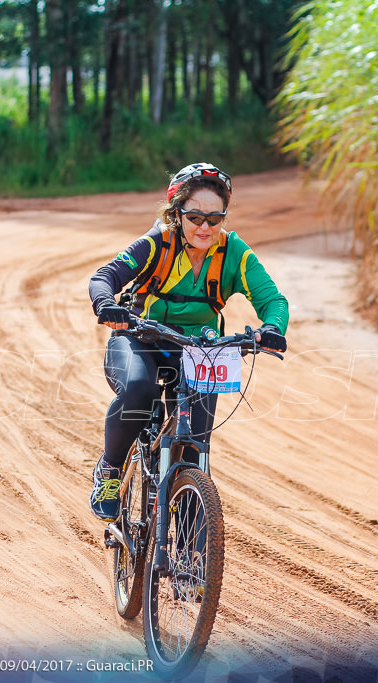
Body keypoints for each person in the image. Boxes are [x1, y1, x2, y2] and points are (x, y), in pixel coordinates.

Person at [87, 162, 289, 521]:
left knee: (196, 445)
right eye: (195, 217)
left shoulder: (233, 252)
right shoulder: (158, 242)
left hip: (198, 350)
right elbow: (105, 277)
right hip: (140, 339)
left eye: (215, 218)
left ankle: (191, 548)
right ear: (176, 213)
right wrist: (106, 304)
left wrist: (272, 327)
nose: (205, 227)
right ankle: (110, 471)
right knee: (138, 390)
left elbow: (273, 301)